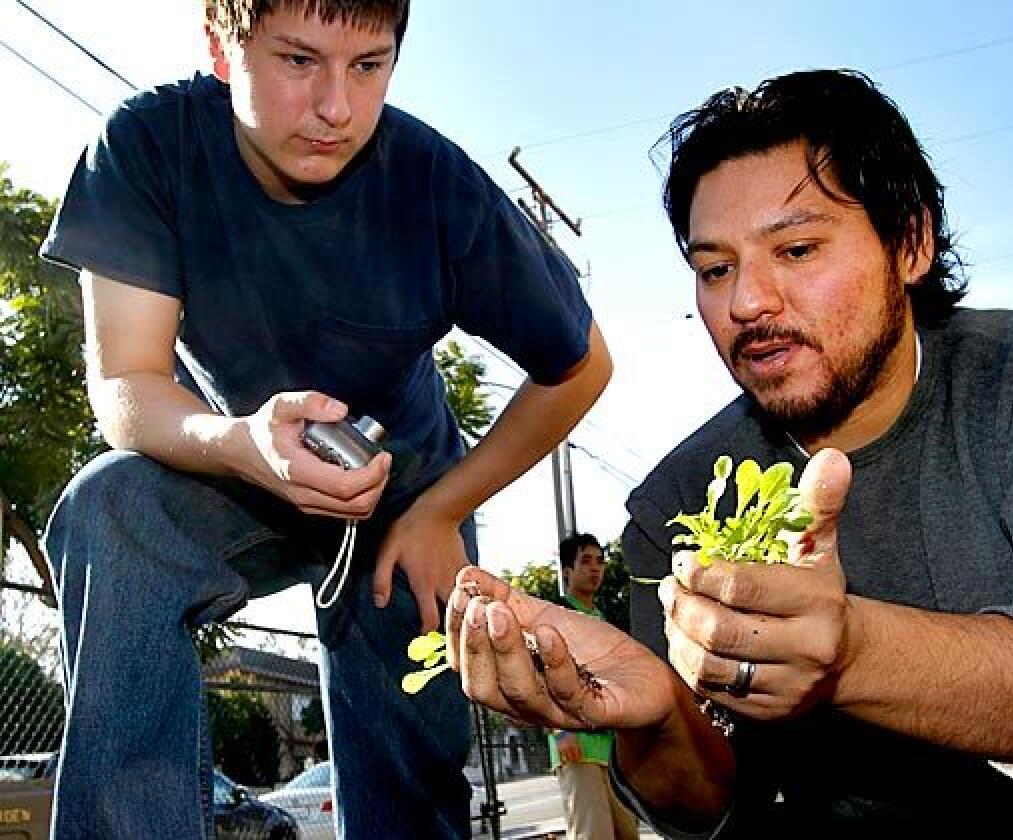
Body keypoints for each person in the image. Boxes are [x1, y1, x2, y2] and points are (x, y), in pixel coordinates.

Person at [443, 68, 1013, 838]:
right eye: (715, 269)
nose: (747, 303)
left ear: (911, 242)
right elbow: (700, 807)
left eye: (797, 248)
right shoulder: (675, 502)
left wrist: (848, 651)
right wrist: (659, 714)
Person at [37, 1, 611, 838]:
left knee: (408, 786)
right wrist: (237, 443)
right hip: (235, 464)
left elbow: (582, 367)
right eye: (299, 61)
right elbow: (127, 381)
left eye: (368, 65)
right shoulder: (147, 148)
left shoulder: (435, 184)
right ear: (221, 48)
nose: (336, 107)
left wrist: (440, 511)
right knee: (109, 510)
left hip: (406, 502)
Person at [545, 533, 639, 840]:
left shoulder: (604, 620)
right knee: (592, 834)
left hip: (613, 750)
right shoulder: (555, 616)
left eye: (600, 561)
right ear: (567, 571)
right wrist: (561, 732)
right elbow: (541, 677)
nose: (595, 569)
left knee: (628, 833)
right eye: (586, 561)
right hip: (577, 747)